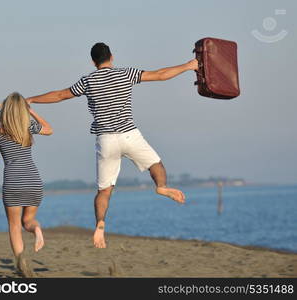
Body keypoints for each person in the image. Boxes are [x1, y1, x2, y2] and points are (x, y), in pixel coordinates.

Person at [26, 43, 198, 249]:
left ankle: (100, 224)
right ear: (112, 57)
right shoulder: (125, 74)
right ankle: (161, 187)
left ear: (93, 61)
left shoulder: (88, 80)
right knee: (156, 165)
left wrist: (32, 99)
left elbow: (61, 95)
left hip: (106, 139)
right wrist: (188, 66)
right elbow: (160, 75)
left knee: (104, 191)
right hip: (129, 135)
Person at [0, 92, 53, 276]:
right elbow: (49, 129)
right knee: (28, 221)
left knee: (14, 226)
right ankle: (36, 229)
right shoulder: (27, 126)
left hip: (13, 182)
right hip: (33, 181)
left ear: (5, 110)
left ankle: (21, 265)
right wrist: (32, 112)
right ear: (22, 110)